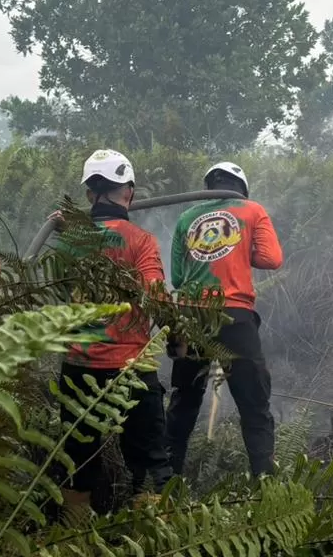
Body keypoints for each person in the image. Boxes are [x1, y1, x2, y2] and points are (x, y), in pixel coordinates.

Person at [54, 149, 173, 517]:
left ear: (90, 194)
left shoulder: (69, 241)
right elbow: (157, 299)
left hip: (79, 367)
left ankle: (73, 539)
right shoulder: (141, 240)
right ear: (130, 192)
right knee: (149, 464)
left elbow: (61, 297)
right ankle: (151, 536)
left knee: (77, 462)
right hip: (132, 371)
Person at [166, 161, 283, 478]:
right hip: (234, 316)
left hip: (190, 318)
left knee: (184, 403)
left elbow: (177, 278)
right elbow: (272, 259)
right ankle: (266, 489)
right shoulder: (252, 210)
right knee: (254, 406)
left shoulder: (186, 218)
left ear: (208, 188)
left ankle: (162, 487)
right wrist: (244, 252)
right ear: (242, 188)